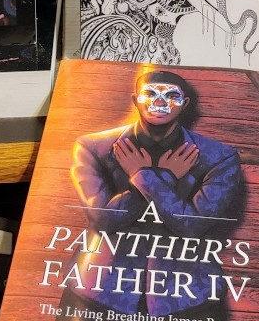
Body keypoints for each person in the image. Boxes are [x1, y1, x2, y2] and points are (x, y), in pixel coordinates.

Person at [62, 69, 243, 319]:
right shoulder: (92, 147)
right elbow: (104, 220)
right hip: (99, 291)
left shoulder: (219, 157)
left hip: (188, 297)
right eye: (150, 94)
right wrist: (165, 177)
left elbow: (193, 226)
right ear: (135, 100)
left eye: (171, 95)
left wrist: (144, 176)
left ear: (185, 104)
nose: (160, 102)